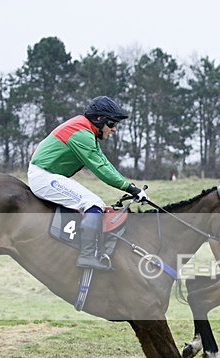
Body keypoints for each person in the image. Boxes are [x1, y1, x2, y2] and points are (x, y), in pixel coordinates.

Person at [28, 96, 148, 270]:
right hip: (43, 176)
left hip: (47, 174)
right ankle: (86, 256)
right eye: (112, 124)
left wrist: (132, 188)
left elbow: (104, 162)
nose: (113, 129)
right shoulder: (82, 134)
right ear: (99, 119)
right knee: (93, 203)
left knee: (93, 202)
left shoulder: (85, 129)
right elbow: (101, 169)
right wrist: (131, 188)